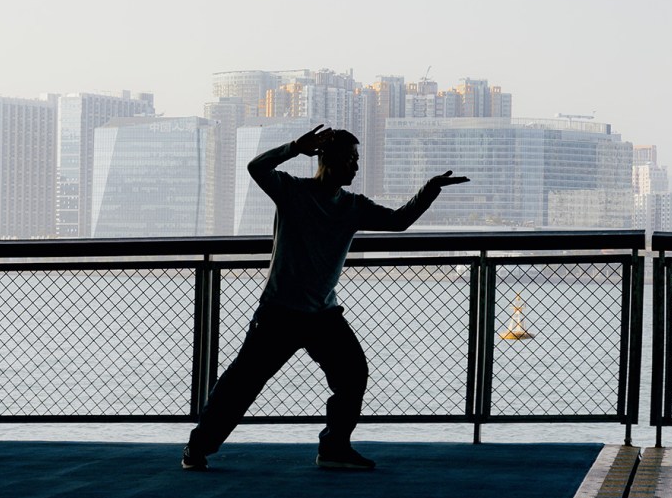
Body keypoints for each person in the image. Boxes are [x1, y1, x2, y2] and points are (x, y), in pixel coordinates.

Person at [182, 124, 470, 470]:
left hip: (322, 314)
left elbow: (399, 221)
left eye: (357, 159)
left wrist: (430, 189)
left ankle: (334, 447)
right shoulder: (291, 191)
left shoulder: (353, 206)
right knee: (241, 385)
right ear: (328, 160)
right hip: (280, 313)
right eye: (351, 159)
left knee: (353, 375)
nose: (356, 167)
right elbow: (256, 167)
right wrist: (293, 147)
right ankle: (197, 448)